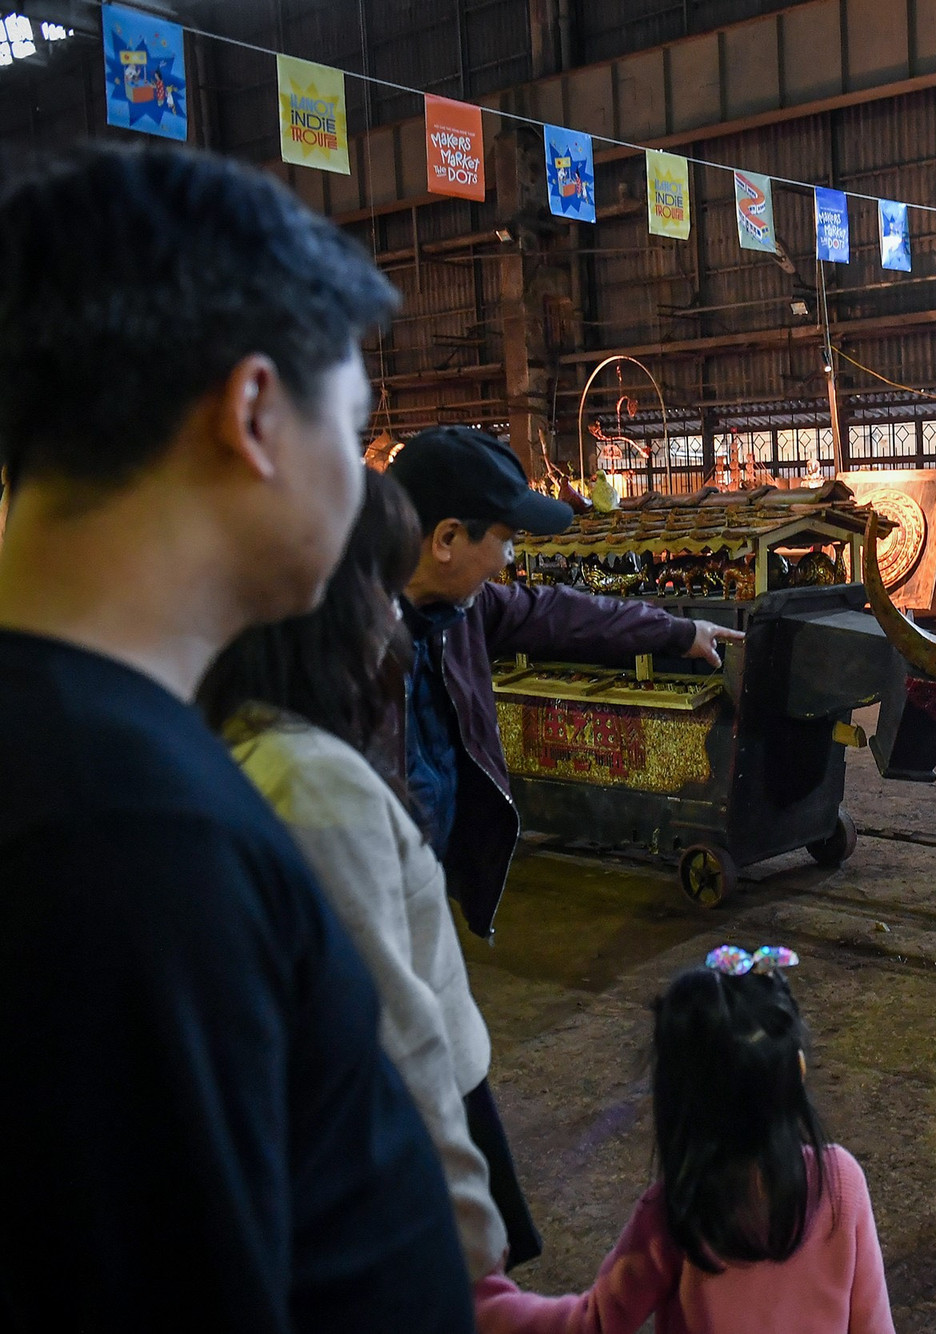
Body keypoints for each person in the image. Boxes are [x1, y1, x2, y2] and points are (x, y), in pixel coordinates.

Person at [0, 145, 471, 1329]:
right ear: (254, 412)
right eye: (355, 425)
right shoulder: (128, 835)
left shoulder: (89, 753)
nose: (362, 484)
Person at [387, 425, 745, 1267]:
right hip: (354, 909)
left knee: (441, 1080)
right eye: (503, 541)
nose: (510, 564)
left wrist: (672, 632)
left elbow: (559, 615)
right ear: (446, 540)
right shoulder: (330, 637)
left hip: (421, 894)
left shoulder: (459, 610)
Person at [199, 469, 509, 1283]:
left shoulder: (246, 740)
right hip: (416, 1139)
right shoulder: (311, 782)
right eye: (379, 587)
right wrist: (468, 1227)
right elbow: (396, 1023)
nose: (392, 612)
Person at [473, 947, 895, 1334]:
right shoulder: (841, 1181)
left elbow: (591, 1325)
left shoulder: (676, 1213)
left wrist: (482, 1298)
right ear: (797, 1072)